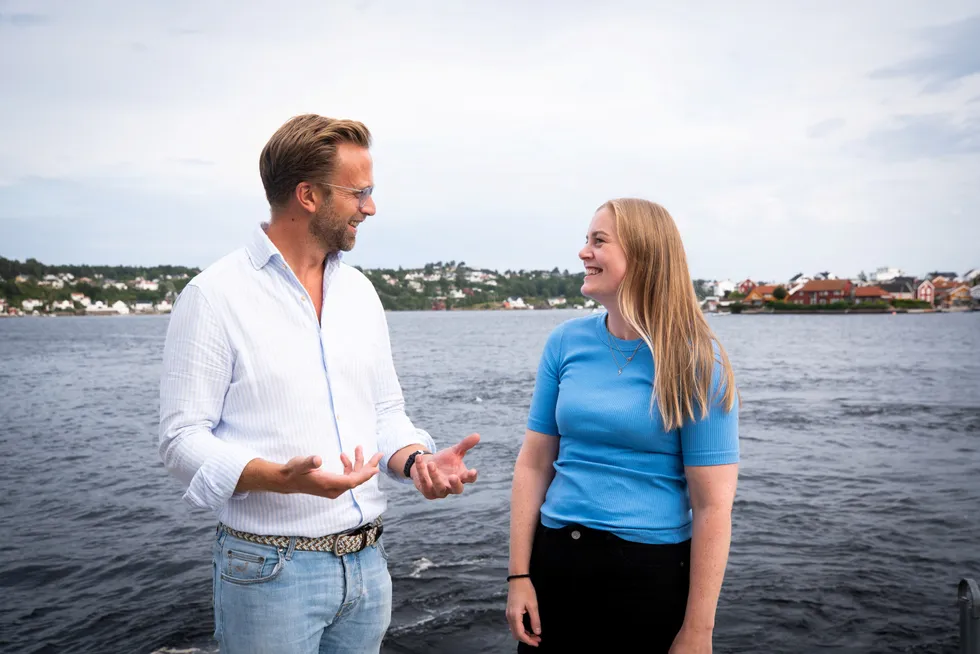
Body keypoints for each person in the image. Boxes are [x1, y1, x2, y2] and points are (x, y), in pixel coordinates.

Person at [158, 113, 480, 654]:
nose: (370, 207)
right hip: (268, 569)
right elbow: (180, 439)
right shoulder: (213, 295)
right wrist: (281, 478)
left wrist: (414, 460)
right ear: (308, 195)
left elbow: (384, 411)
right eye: (360, 192)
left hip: (368, 565)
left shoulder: (361, 294)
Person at [505, 198, 739, 653]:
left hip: (647, 575)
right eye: (585, 240)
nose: (583, 252)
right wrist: (519, 576)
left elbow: (712, 507)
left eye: (599, 241)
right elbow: (533, 465)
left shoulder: (696, 360)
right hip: (556, 562)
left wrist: (697, 631)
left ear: (643, 255)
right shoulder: (565, 342)